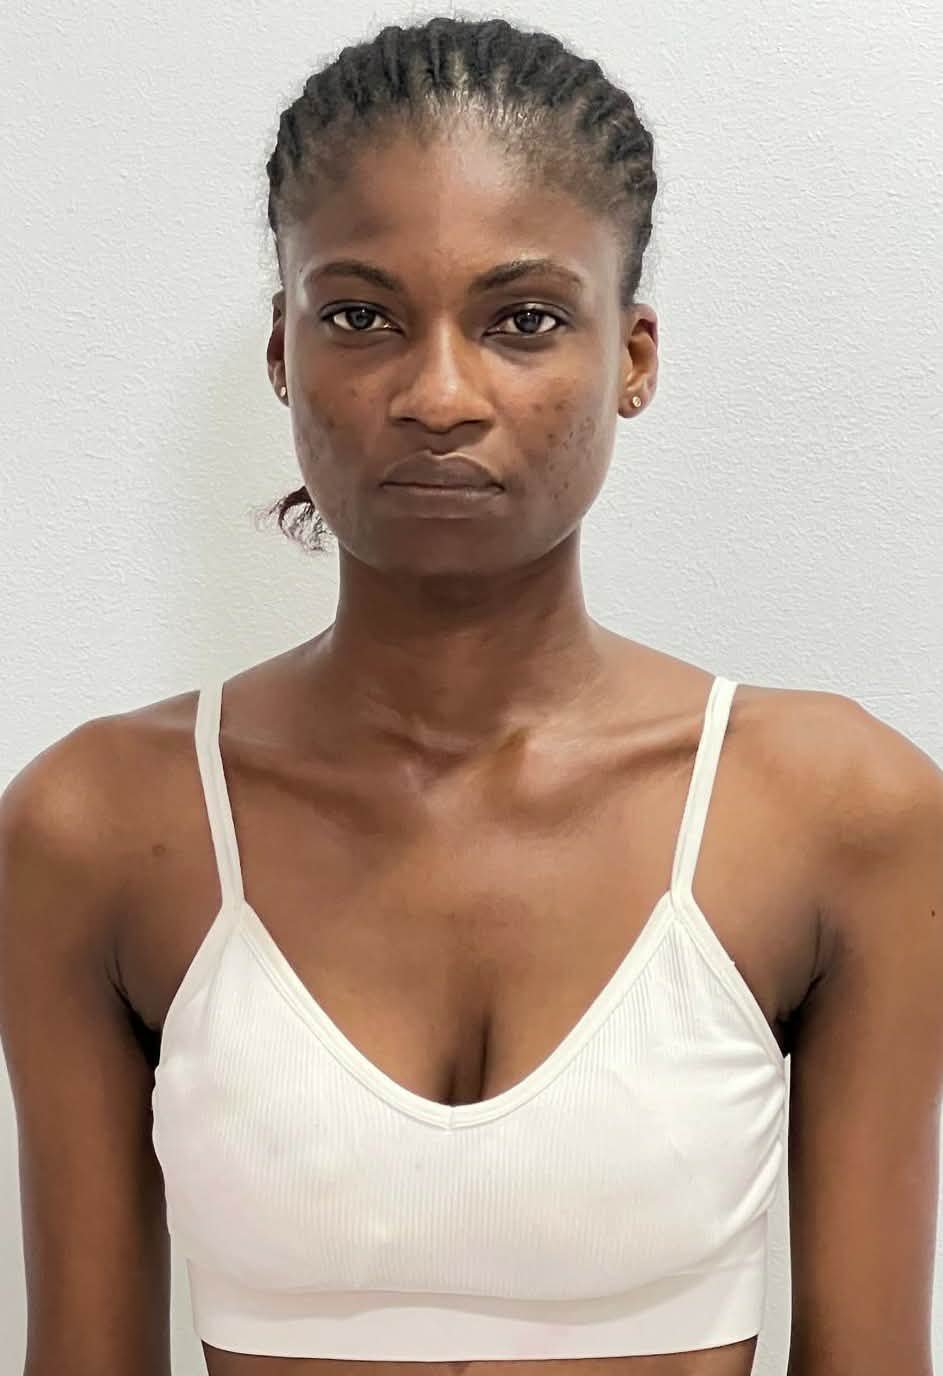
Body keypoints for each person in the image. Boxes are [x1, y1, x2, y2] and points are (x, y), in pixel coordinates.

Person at [2, 15, 942, 1376]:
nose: (439, 394)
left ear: (634, 357)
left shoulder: (838, 814)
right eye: (361, 317)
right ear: (283, 353)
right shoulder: (94, 831)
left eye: (524, 321)